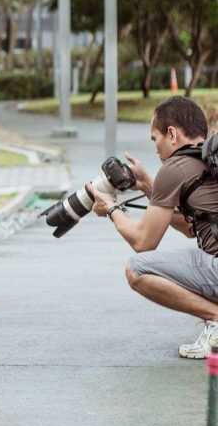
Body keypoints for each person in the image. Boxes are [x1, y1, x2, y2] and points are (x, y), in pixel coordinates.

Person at [87, 96, 218, 358]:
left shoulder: (175, 167)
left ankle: (216, 319)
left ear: (172, 134)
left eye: (155, 139)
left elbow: (143, 242)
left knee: (137, 269)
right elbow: (190, 227)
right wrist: (148, 185)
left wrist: (110, 208)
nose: (156, 148)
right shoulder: (208, 161)